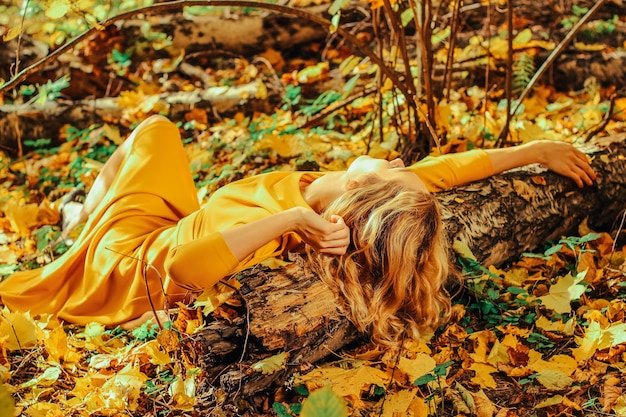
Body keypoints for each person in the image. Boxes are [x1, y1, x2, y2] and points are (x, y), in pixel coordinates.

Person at [0, 115, 595, 349]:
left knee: (152, 132)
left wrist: (286, 218)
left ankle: (78, 229)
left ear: (360, 203)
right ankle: (79, 215)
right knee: (159, 133)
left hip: (134, 258)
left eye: (392, 172)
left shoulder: (283, 230)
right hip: (182, 218)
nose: (397, 163)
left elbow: (181, 270)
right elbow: (449, 171)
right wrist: (533, 149)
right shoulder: (363, 192)